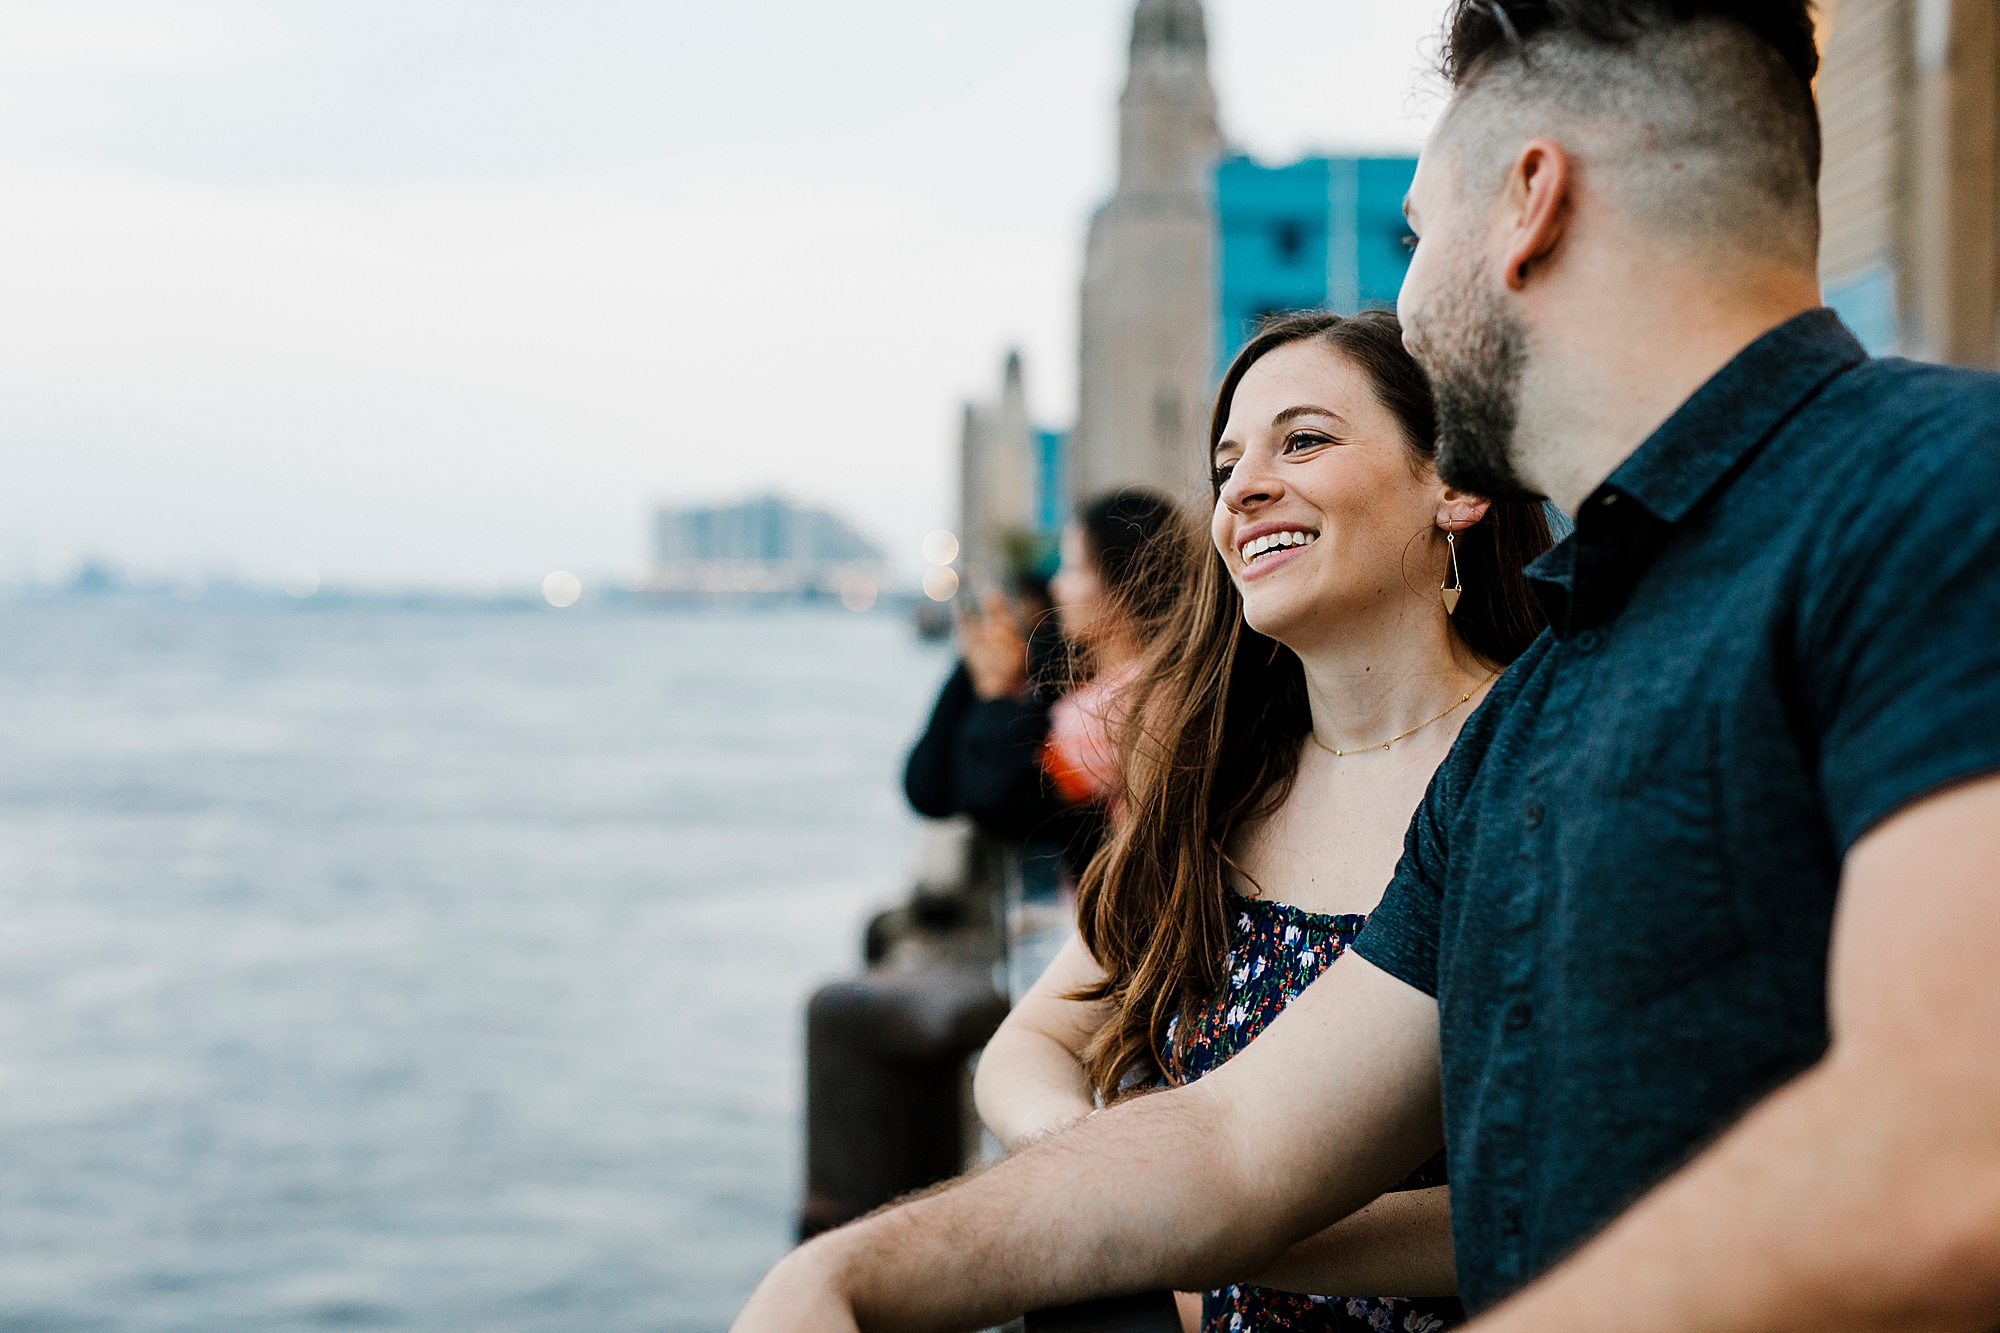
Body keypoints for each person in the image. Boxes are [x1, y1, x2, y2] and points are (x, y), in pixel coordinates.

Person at [730, 1, 2000, 1329]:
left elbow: (1947, 1171)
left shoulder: (1940, 499)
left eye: (1412, 231)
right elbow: (1239, 1148)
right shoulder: (1546, 709)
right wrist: (845, 1272)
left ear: (1528, 204)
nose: (1403, 295)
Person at [973, 310, 1550, 1333]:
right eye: (1226, 462)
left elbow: (1576, 1188)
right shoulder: (1223, 785)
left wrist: (1200, 1219)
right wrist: (1099, 1168)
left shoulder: (1546, 761)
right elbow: (1028, 1048)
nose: (1240, 489)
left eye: (1304, 440)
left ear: (1453, 486)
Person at [902, 490, 1184, 987]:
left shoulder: (1128, 705)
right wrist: (988, 683)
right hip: (1120, 943)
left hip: (1130, 957)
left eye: (1074, 569)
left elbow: (1001, 798)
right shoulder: (1142, 687)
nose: (1057, 587)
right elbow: (935, 787)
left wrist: (994, 693)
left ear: (1121, 584)